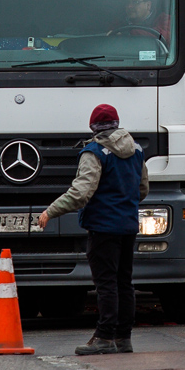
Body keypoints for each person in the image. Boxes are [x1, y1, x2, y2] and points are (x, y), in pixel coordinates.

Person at [37, 104, 149, 355]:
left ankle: (104, 337)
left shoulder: (95, 152)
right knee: (124, 282)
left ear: (93, 127)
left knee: (106, 283)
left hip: (103, 227)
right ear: (117, 124)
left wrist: (50, 211)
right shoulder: (136, 149)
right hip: (128, 226)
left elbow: (81, 193)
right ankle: (124, 338)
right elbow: (142, 189)